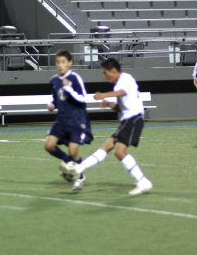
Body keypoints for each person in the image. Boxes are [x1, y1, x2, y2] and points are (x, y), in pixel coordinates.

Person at [62, 57, 152, 196]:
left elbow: (122, 92)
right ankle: (79, 168)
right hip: (128, 120)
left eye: (105, 73)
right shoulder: (118, 84)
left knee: (119, 152)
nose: (104, 76)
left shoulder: (125, 79)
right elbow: (121, 107)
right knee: (106, 146)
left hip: (133, 119)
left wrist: (104, 95)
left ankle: (142, 181)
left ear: (114, 70)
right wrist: (110, 104)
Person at [44, 49, 93, 192]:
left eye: (63, 62)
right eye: (58, 62)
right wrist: (52, 104)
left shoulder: (75, 78)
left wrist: (69, 88)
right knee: (48, 145)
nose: (60, 65)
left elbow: (83, 99)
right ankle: (68, 162)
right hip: (61, 121)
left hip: (76, 121)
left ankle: (81, 175)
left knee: (73, 151)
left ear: (70, 63)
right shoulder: (54, 80)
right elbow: (56, 98)